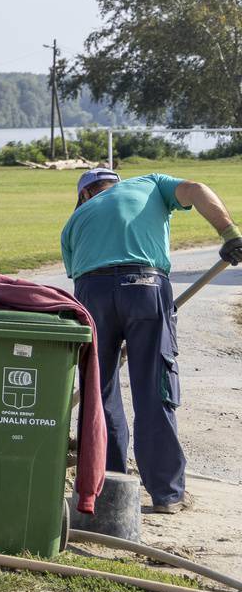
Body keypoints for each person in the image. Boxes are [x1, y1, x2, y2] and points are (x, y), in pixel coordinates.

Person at [61, 167, 242, 514]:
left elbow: (80, 275)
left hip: (91, 293)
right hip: (145, 285)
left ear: (84, 194)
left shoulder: (75, 220)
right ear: (117, 185)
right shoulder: (151, 184)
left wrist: (112, 315)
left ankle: (108, 491)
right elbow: (198, 188)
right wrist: (229, 232)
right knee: (152, 387)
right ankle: (166, 494)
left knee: (100, 393)